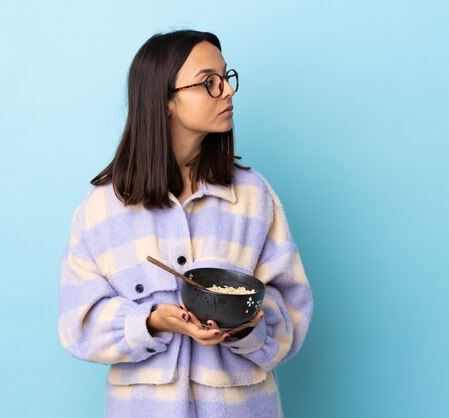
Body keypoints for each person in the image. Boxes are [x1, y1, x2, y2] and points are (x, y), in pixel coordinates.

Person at [58, 29, 313, 418]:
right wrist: (151, 322)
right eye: (208, 83)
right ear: (165, 102)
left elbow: (291, 312)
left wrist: (245, 327)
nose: (227, 92)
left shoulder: (251, 196)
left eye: (226, 79)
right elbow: (80, 325)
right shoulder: (103, 210)